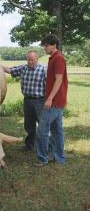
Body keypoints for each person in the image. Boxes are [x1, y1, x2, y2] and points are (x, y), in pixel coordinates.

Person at [2, 50, 47, 151]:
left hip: (40, 101)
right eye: (28, 59)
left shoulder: (44, 69)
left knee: (43, 125)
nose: (30, 62)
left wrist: (49, 100)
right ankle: (29, 145)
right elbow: (10, 70)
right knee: (29, 125)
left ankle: (47, 148)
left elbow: (49, 86)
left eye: (32, 59)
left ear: (37, 59)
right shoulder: (23, 68)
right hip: (27, 101)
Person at [36, 34, 68, 166]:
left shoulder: (58, 59)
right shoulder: (53, 58)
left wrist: (49, 98)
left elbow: (59, 80)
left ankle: (43, 159)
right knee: (57, 130)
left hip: (54, 101)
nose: (44, 47)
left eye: (46, 45)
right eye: (44, 45)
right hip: (58, 100)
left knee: (42, 130)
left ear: (53, 45)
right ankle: (59, 158)